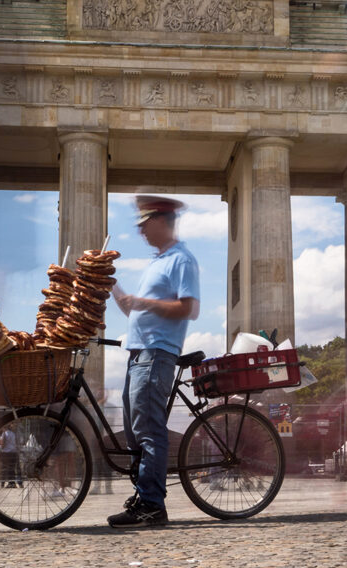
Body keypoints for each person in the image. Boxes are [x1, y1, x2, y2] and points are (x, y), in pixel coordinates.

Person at [109, 196, 199, 528]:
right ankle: (143, 498)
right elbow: (135, 309)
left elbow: (189, 308)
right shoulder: (157, 262)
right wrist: (114, 286)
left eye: (144, 224)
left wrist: (143, 302)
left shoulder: (181, 260)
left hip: (156, 353)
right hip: (138, 354)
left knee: (148, 431)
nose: (141, 231)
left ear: (161, 220)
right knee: (135, 434)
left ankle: (152, 504)